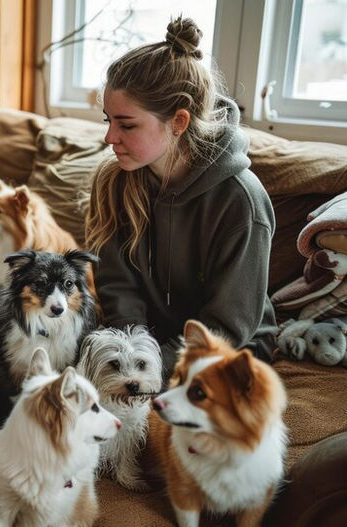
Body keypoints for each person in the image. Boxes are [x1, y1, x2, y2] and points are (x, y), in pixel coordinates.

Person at [85, 16, 277, 378]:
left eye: (126, 125)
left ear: (179, 122)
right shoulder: (115, 181)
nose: (110, 137)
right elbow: (117, 287)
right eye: (107, 120)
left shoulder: (241, 202)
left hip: (225, 351)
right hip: (143, 345)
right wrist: (133, 359)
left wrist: (153, 372)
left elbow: (228, 326)